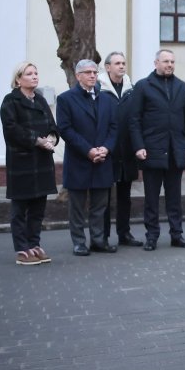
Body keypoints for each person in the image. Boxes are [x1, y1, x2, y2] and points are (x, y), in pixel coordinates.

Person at [128, 49, 185, 251]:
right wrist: (139, 146)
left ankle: (177, 235)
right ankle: (152, 236)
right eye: (165, 61)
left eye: (172, 61)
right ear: (156, 62)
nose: (169, 65)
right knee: (151, 199)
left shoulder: (182, 87)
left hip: (176, 151)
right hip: (152, 150)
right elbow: (134, 120)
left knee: (175, 198)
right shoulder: (143, 87)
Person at [57, 59, 118, 256]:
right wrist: (88, 150)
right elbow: (65, 129)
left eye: (95, 72)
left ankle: (99, 241)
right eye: (88, 72)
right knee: (77, 206)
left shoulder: (107, 99)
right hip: (79, 160)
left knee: (100, 205)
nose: (93, 75)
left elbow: (114, 128)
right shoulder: (66, 99)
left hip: (102, 159)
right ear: (78, 76)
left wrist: (106, 148)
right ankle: (79, 242)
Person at [1, 62, 59, 265]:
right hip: (22, 162)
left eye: (36, 73)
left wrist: (52, 137)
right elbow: (11, 129)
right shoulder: (10, 101)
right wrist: (37, 140)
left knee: (38, 208)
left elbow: (52, 125)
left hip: (42, 162)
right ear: (18, 79)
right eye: (29, 74)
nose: (35, 76)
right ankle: (22, 249)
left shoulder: (41, 100)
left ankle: (34, 243)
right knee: (20, 208)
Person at [98, 51, 143, 247]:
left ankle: (124, 234)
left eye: (123, 63)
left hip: (127, 151)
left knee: (125, 197)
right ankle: (104, 236)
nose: (122, 66)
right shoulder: (99, 89)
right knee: (104, 198)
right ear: (108, 67)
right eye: (117, 63)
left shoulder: (131, 90)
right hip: (107, 151)